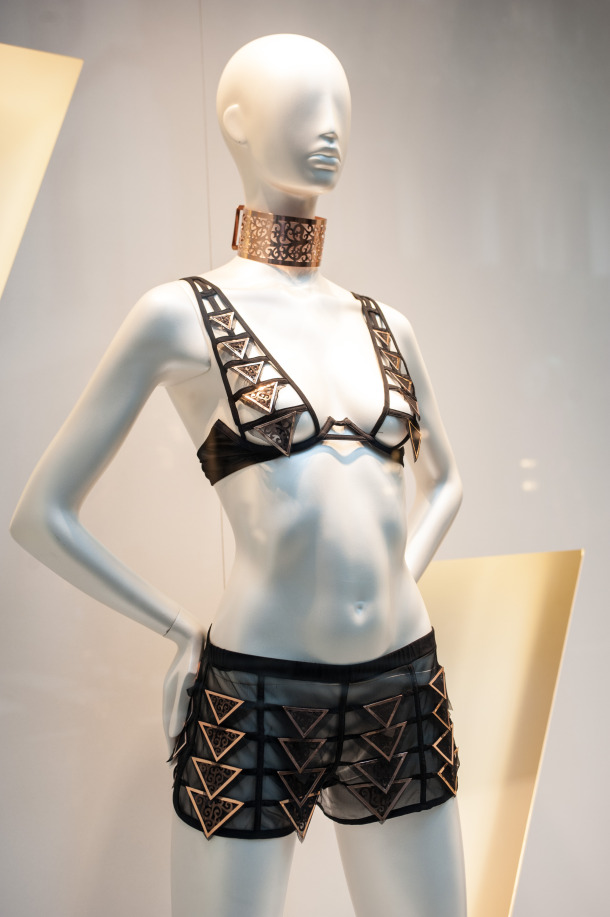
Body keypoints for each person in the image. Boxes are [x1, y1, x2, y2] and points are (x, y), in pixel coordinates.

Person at [11, 33, 466, 917]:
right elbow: (42, 512)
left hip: (401, 683)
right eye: (304, 106)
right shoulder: (178, 316)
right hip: (255, 690)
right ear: (236, 123)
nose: (330, 128)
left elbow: (449, 481)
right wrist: (180, 627)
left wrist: (396, 576)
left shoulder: (388, 323)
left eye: (341, 107)